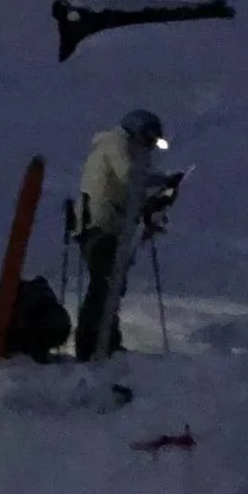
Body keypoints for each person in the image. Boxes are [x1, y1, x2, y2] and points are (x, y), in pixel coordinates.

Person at [73, 108, 172, 359]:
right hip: (98, 226)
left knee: (111, 284)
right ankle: (92, 343)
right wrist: (160, 181)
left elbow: (132, 191)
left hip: (111, 227)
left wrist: (151, 206)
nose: (150, 146)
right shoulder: (116, 145)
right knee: (104, 283)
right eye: (148, 139)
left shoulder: (130, 151)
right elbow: (130, 178)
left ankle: (106, 340)